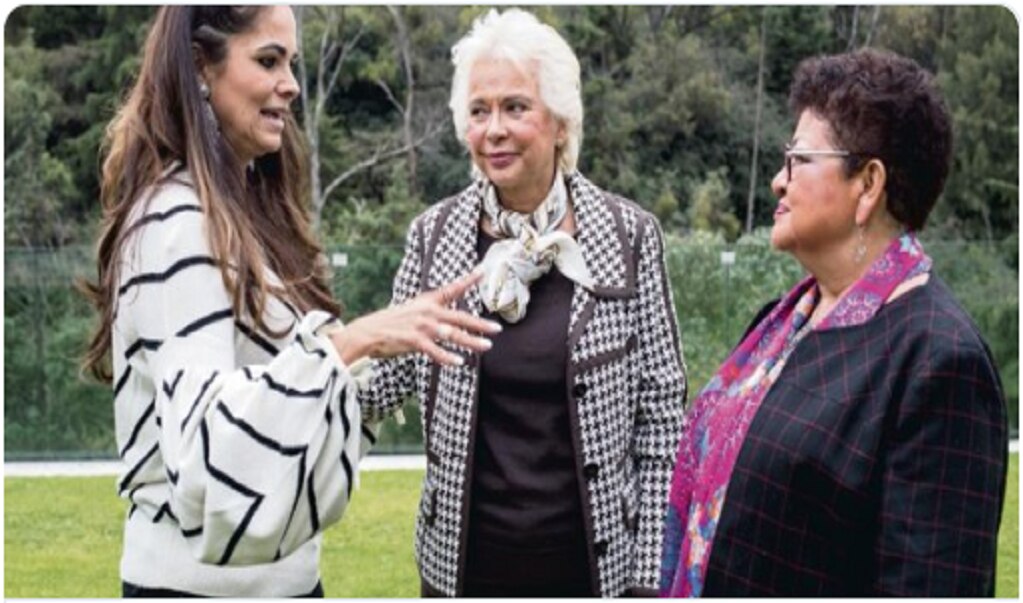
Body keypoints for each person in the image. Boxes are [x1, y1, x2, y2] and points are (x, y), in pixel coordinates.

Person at [80, 6, 498, 597]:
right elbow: (204, 445)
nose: (292, 85)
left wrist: (429, 327)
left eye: (292, 64)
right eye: (268, 60)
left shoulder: (244, 213)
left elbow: (302, 396)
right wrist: (351, 342)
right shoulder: (177, 219)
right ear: (201, 66)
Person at [356, 9, 687, 598]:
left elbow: (660, 423)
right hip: (464, 576)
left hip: (594, 577)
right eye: (480, 111)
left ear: (560, 123)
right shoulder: (435, 238)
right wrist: (313, 363)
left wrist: (646, 580)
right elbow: (385, 381)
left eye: (515, 107)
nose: (494, 129)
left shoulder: (629, 236)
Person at [660, 48, 1008, 597]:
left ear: (867, 184)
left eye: (798, 159)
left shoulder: (939, 359)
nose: (778, 180)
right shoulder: (778, 327)